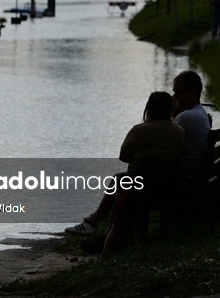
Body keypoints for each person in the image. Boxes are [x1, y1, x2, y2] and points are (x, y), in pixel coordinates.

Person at [65, 93, 185, 256]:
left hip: (139, 189)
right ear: (170, 109)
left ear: (148, 109)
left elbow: (123, 156)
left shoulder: (139, 130)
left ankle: (104, 254)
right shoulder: (179, 131)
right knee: (119, 179)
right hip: (169, 188)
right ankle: (95, 225)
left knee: (119, 216)